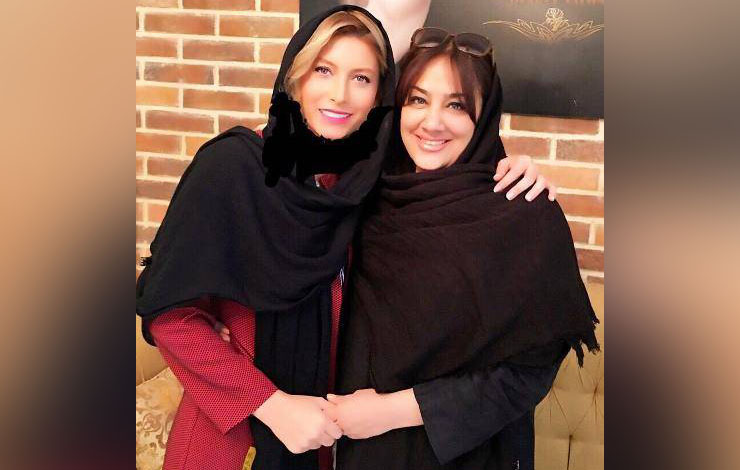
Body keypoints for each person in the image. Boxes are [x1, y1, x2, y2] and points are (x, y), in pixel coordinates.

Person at [136, 6, 553, 470]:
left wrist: (510, 167)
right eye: (323, 70)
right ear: (295, 76)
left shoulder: (367, 179)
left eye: (361, 78)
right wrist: (271, 405)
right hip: (233, 440)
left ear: (380, 95)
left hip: (329, 440)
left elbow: (449, 149)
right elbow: (170, 315)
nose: (340, 94)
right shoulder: (233, 168)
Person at [328, 28, 600, 470]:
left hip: (471, 454)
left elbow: (529, 371)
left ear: (484, 115)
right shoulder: (369, 195)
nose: (431, 122)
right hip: (365, 452)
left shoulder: (521, 212)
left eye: (456, 105)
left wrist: (392, 411)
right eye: (417, 99)